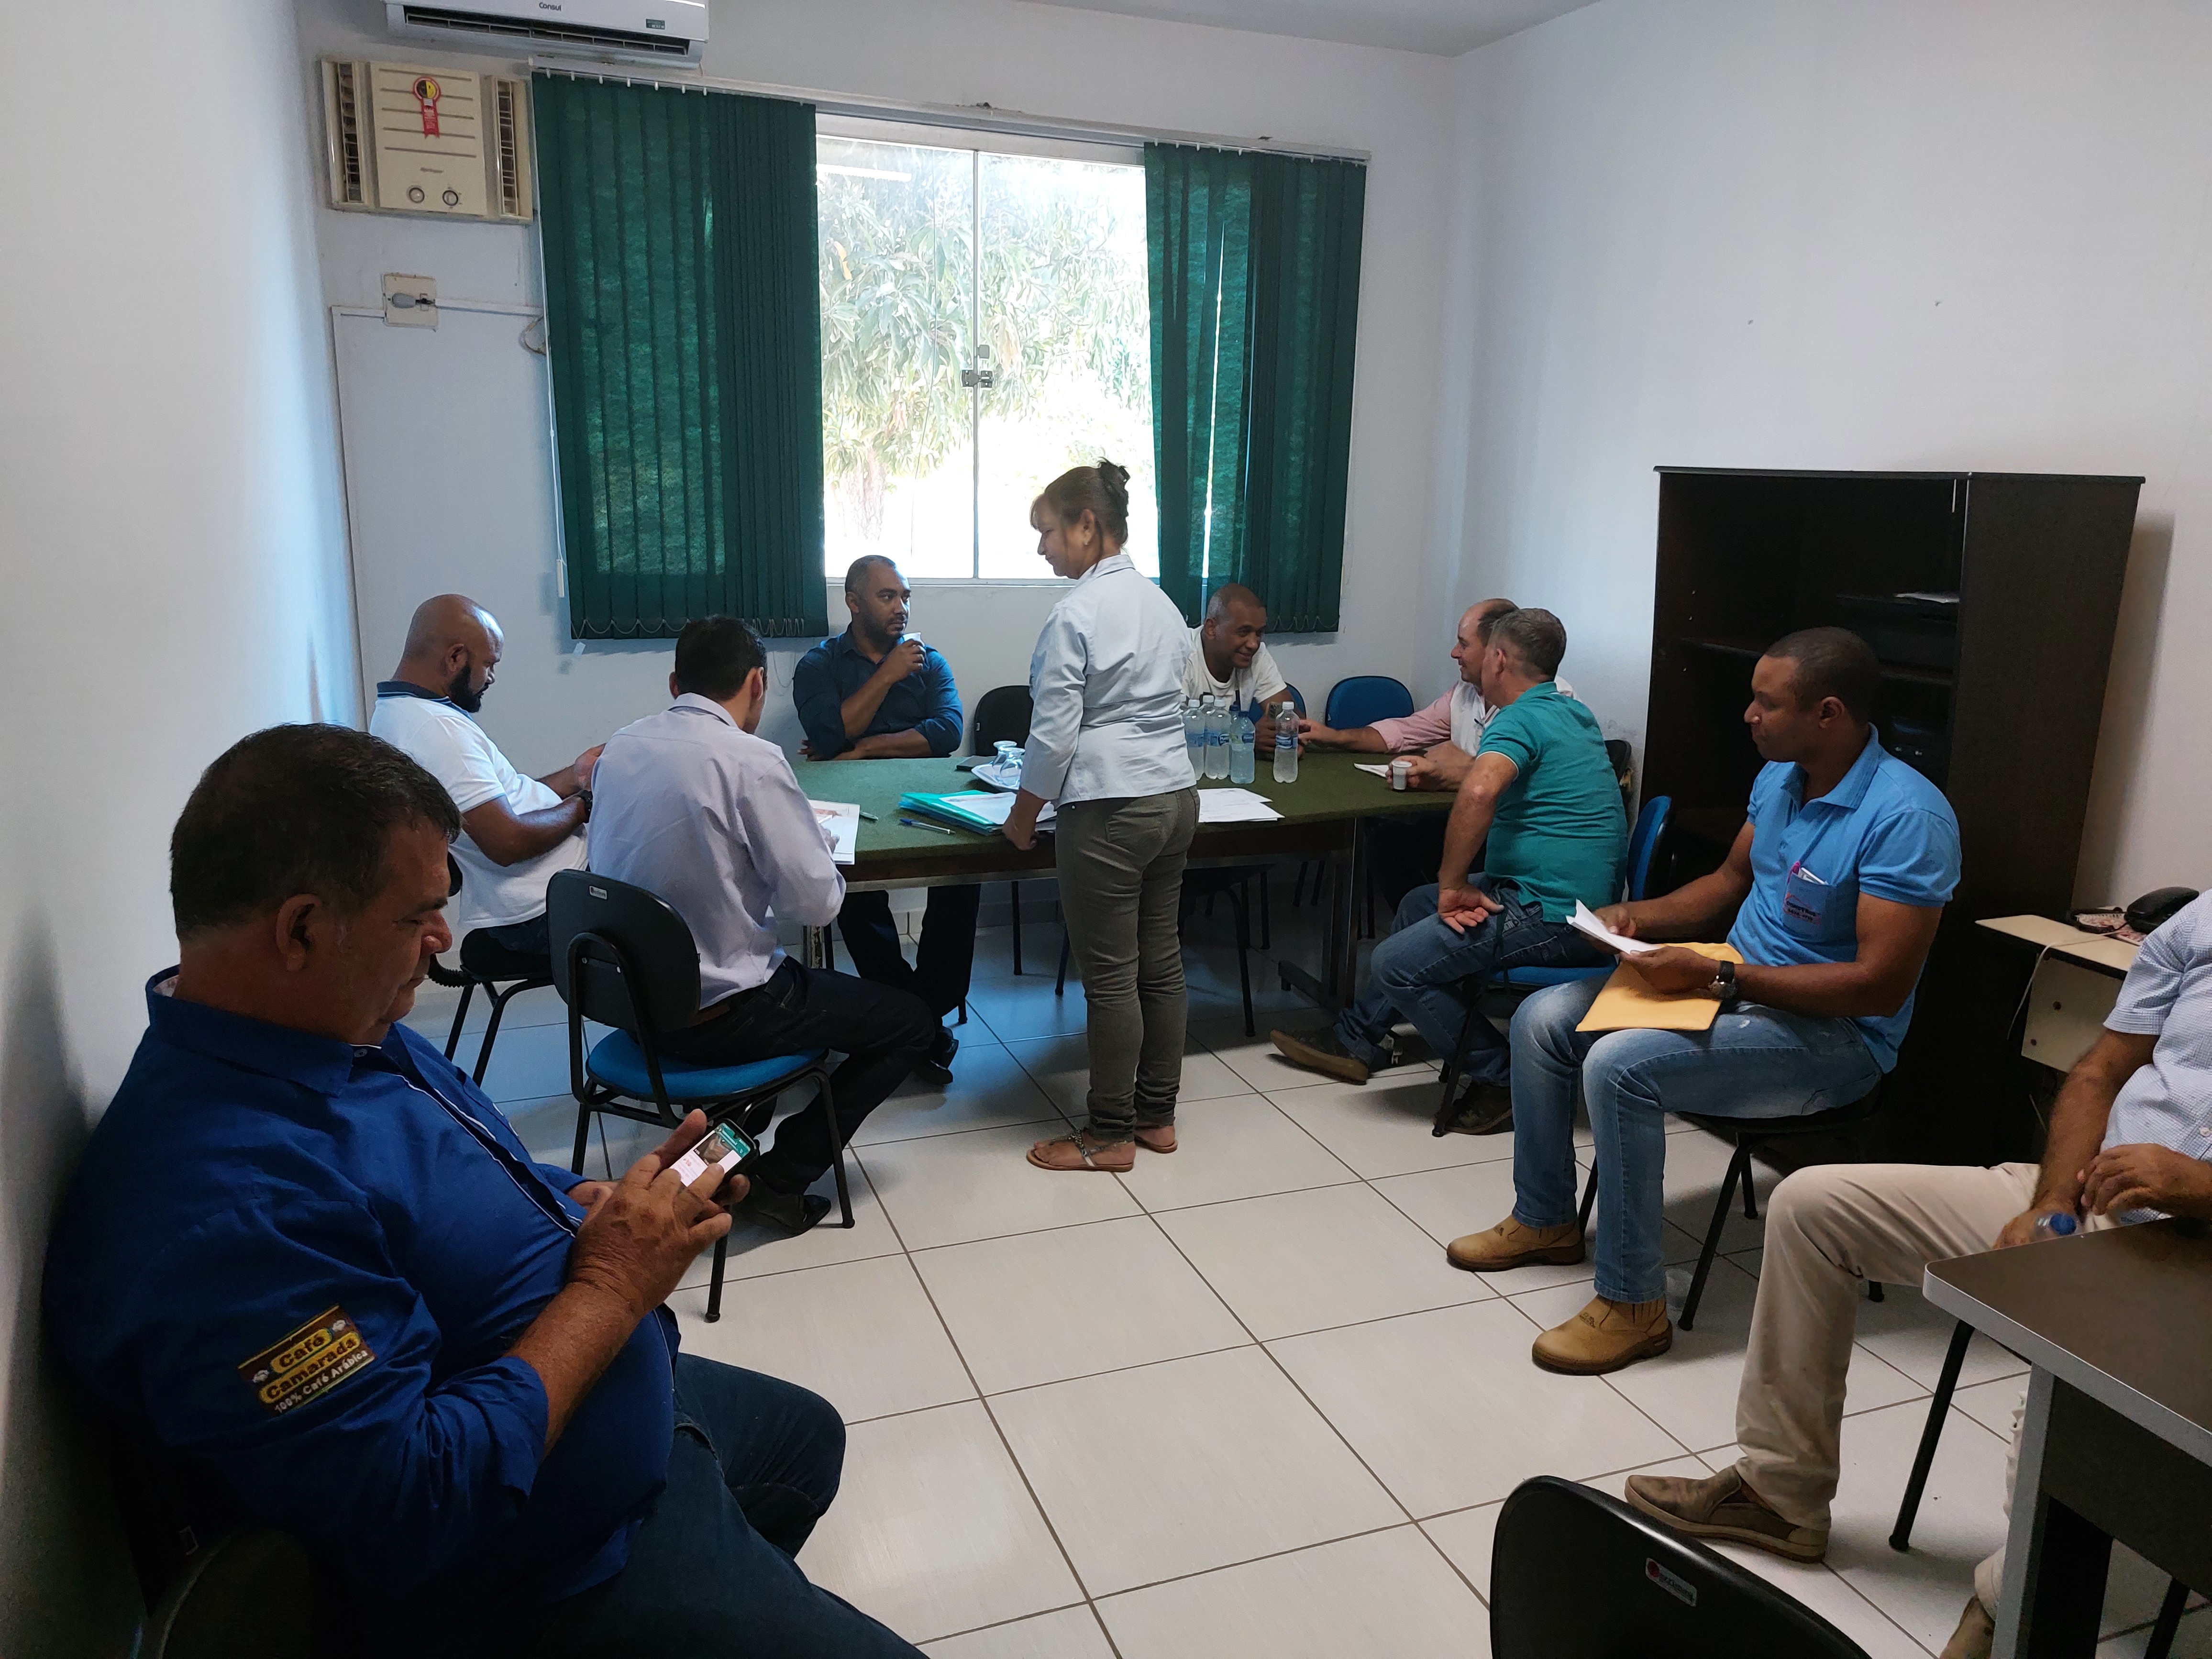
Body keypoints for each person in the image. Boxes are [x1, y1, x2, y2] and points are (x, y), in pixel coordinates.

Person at [42, 724, 926, 1659]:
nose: (443, 940)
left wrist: (574, 1198)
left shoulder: (329, 1028)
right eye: (418, 915)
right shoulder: (225, 1216)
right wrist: (614, 1285)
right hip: (545, 1574)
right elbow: (415, 1505)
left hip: (615, 1417)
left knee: (806, 1438)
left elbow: (452, 1166)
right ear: (300, 929)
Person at [1625, 893, 2212, 1659]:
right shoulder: (2197, 924)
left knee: (2060, 1411)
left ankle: (2003, 1609)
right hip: (2099, 1199)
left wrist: (2203, 1188)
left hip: (2195, 1255)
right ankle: (1780, 1492)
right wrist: (2053, 1202)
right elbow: (2099, 1072)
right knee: (1812, 1207)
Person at [1447, 627, 1961, 1376]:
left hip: (1836, 1037)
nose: (1749, 715)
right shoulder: (1782, 778)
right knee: (1542, 1019)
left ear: (1828, 713)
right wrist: (1635, 918)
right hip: (1734, 990)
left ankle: (1633, 1304)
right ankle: (1546, 1218)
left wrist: (1721, 978)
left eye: (1767, 703)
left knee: (1620, 1066)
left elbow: (1879, 985)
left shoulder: (1906, 817)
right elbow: (1727, 883)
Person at [590, 616, 938, 1232]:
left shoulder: (620, 747)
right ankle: (779, 1179)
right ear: (757, 683)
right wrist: (812, 846)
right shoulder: (751, 761)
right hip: (721, 1015)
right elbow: (817, 906)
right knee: (910, 1022)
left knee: (794, 995)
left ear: (675, 684)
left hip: (631, 1004)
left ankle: (708, 1168)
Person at [1269, 608, 1622, 1135]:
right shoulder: (1573, 713)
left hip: (1555, 914)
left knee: (1395, 963)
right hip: (1570, 899)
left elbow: (1479, 790)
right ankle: (1358, 1039)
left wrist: (1455, 886)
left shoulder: (1519, 717)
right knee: (1418, 903)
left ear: (1498, 659)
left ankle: (1505, 1078)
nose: (1459, 655)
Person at [1004, 460, 1199, 1173]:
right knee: (1162, 963)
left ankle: (1110, 1132)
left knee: (1113, 977)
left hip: (1111, 810)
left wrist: (1023, 816)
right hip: (1174, 799)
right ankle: (1157, 1116)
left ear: (1087, 525)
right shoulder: (1164, 605)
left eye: (1048, 532)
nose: (1042, 548)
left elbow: (1054, 733)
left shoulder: (1076, 614)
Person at [794, 555, 975, 1084]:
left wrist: (864, 747)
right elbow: (828, 734)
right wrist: (889, 675)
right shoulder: (819, 664)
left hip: (924, 797)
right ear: (853, 602)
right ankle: (924, 1026)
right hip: (848, 802)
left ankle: (914, 1015)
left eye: (905, 596)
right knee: (852, 888)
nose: (902, 608)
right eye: (887, 596)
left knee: (963, 876)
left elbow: (947, 732)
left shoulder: (929, 661)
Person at [1300, 598, 1581, 909]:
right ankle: (1430, 922)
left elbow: (1503, 784)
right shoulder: (1466, 692)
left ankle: (1443, 920)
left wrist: (1456, 770)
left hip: (1518, 840)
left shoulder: (1550, 701)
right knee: (1387, 843)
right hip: (1473, 823)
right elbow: (1406, 731)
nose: (1454, 653)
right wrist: (1334, 737)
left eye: (1464, 644)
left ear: (1496, 653)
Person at [369, 593, 601, 954]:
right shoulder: (436, 732)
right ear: (455, 658)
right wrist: (584, 805)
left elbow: (507, 803)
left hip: (544, 890)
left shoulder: (403, 713)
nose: (491, 677)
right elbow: (508, 843)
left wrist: (576, 774)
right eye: (489, 664)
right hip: (547, 904)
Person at [1182, 581, 1300, 752]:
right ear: (1211, 629)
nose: (1253, 644)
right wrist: (1244, 738)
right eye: (1244, 632)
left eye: (1259, 633)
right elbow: (1166, 734)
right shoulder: (1180, 654)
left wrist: (1280, 729)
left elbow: (1291, 718)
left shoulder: (1256, 655)